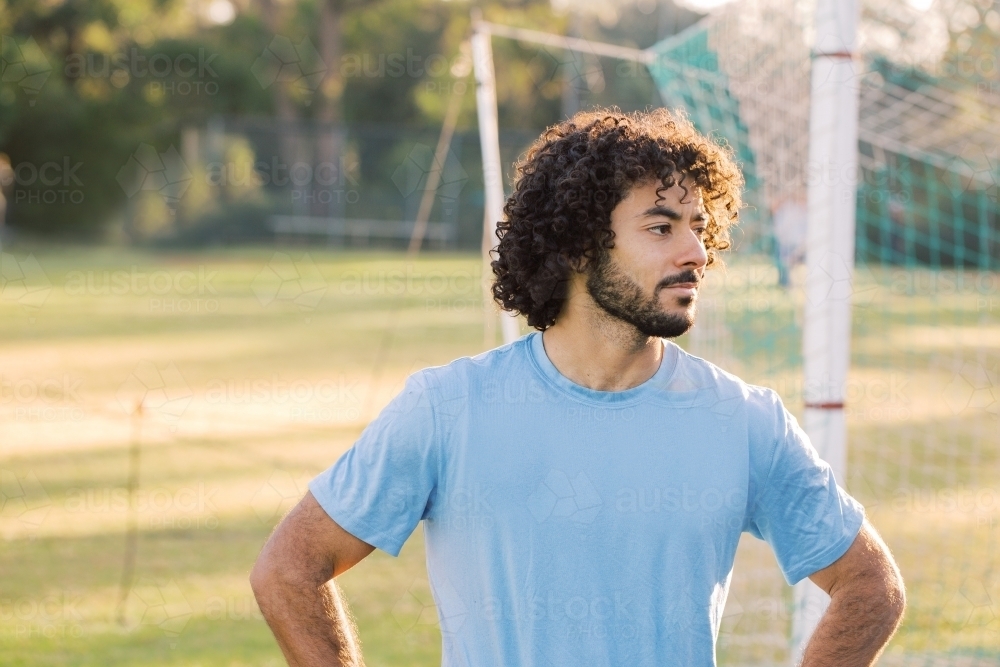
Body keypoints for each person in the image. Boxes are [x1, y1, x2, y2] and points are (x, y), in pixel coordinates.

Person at [250, 108, 905, 666]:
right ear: (580, 244)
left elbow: (871, 584)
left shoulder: (745, 419)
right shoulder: (450, 408)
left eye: (699, 228)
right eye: (661, 226)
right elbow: (288, 570)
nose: (696, 253)